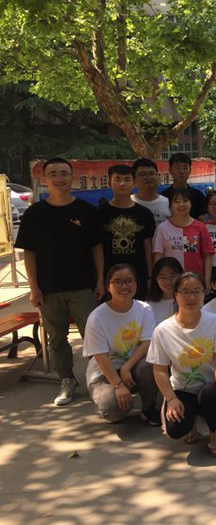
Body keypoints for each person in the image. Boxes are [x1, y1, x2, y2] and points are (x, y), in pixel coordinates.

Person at [16, 157, 104, 406]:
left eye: (64, 173)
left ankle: (99, 378)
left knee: (93, 336)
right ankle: (66, 379)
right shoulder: (34, 214)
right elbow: (29, 253)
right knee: (56, 338)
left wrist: (99, 281)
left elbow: (97, 249)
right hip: (49, 287)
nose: (59, 178)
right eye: (53, 174)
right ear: (44, 178)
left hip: (83, 286)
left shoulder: (87, 211)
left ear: (72, 177)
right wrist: (33, 287)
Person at [147, 272, 216, 458]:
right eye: (185, 292)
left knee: (213, 393)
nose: (191, 297)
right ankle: (190, 423)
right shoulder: (162, 330)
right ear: (176, 294)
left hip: (209, 387)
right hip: (181, 389)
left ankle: (215, 435)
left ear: (204, 293)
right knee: (175, 430)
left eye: (196, 291)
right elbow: (159, 369)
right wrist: (171, 399)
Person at [82, 264, 159, 425]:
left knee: (151, 363)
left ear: (136, 283)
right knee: (113, 411)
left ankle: (148, 407)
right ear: (108, 286)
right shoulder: (97, 317)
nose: (124, 286)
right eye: (117, 282)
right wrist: (118, 385)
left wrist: (126, 367)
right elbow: (101, 356)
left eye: (129, 281)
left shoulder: (144, 309)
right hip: (104, 373)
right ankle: (114, 398)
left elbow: (147, 343)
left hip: (132, 368)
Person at [99, 164, 156, 300]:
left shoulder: (144, 213)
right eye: (117, 179)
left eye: (127, 179)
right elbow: (97, 249)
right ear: (109, 183)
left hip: (138, 275)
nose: (122, 183)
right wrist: (99, 279)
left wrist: (150, 276)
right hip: (109, 277)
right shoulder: (100, 213)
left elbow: (148, 247)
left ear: (134, 182)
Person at [152, 188, 215, 288]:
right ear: (170, 205)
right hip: (170, 283)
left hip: (195, 281)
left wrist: (207, 280)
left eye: (185, 200)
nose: (181, 204)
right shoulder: (162, 228)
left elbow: (208, 255)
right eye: (176, 201)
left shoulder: (200, 227)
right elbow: (158, 256)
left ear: (191, 203)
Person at [161, 153, 206, 219]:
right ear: (170, 170)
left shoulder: (198, 196)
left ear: (190, 170)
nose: (181, 171)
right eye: (177, 168)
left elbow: (202, 220)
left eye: (185, 168)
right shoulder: (163, 197)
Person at [132, 158, 170, 226]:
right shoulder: (128, 203)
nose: (148, 177)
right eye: (143, 174)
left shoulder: (168, 203)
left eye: (152, 174)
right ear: (134, 180)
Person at [146, 257, 183, 325]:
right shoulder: (148, 306)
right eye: (163, 277)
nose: (168, 282)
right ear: (156, 279)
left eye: (173, 276)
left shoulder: (188, 300)